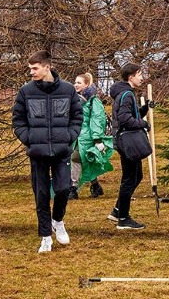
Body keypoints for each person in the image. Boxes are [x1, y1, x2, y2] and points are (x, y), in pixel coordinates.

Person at [12, 51, 83, 253]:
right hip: (37, 152)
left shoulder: (68, 90)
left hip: (62, 150)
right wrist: (29, 138)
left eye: (35, 68)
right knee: (41, 195)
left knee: (63, 189)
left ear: (47, 67)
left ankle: (58, 220)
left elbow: (77, 116)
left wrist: (70, 136)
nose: (31, 72)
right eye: (30, 69)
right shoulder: (25, 92)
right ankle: (45, 237)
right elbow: (18, 120)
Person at [107, 63, 153, 230]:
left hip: (124, 140)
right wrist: (143, 124)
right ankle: (124, 218)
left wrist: (144, 109)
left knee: (137, 175)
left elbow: (130, 115)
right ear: (131, 77)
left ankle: (118, 210)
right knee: (129, 179)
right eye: (139, 74)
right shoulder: (126, 94)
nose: (141, 77)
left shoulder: (125, 93)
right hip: (127, 142)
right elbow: (125, 119)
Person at [73, 73, 113, 198]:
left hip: (87, 137)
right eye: (75, 82)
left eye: (79, 82)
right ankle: (96, 186)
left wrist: (97, 139)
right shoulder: (76, 99)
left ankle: (72, 188)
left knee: (75, 158)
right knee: (88, 160)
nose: (76, 85)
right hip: (77, 136)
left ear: (86, 84)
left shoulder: (93, 101)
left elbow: (97, 120)